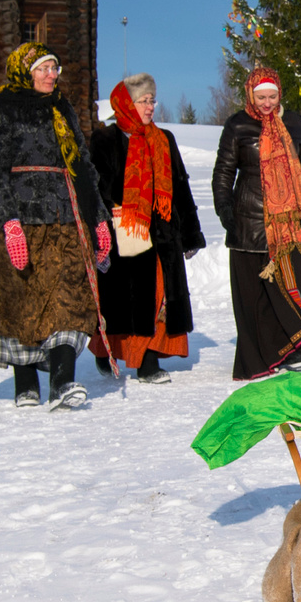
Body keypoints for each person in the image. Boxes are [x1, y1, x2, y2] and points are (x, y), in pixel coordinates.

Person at [0, 42, 111, 410]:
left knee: (70, 298)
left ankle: (63, 382)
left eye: (55, 69)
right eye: (44, 69)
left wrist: (98, 218)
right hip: (22, 217)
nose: (52, 75)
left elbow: (82, 164)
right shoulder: (1, 108)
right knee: (23, 300)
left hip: (66, 217)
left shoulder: (62, 109)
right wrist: (8, 220)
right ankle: (25, 379)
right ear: (24, 71)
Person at [92, 73, 208, 384]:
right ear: (125, 103)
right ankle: (106, 351)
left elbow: (181, 188)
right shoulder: (105, 139)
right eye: (144, 101)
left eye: (152, 100)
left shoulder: (164, 139)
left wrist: (190, 234)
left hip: (162, 234)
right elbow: (97, 188)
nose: (150, 107)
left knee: (159, 298)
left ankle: (148, 362)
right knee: (122, 302)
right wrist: (104, 224)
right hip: (124, 233)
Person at [212, 69, 301, 378]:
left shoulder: (295, 123)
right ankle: (257, 357)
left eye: (272, 96)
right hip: (248, 221)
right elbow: (223, 173)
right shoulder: (237, 125)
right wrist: (225, 210)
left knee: (295, 286)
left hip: (289, 223)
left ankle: (294, 349)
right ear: (250, 95)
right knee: (252, 295)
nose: (267, 103)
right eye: (261, 97)